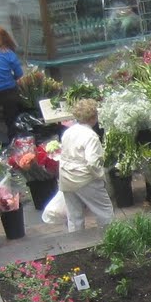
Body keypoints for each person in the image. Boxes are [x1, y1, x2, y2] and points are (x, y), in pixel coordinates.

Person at [53, 99, 113, 232]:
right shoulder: (91, 136)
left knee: (74, 216)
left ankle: (75, 246)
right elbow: (92, 162)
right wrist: (101, 176)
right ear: (93, 118)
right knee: (104, 211)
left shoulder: (68, 132)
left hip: (66, 177)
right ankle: (110, 238)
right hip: (85, 178)